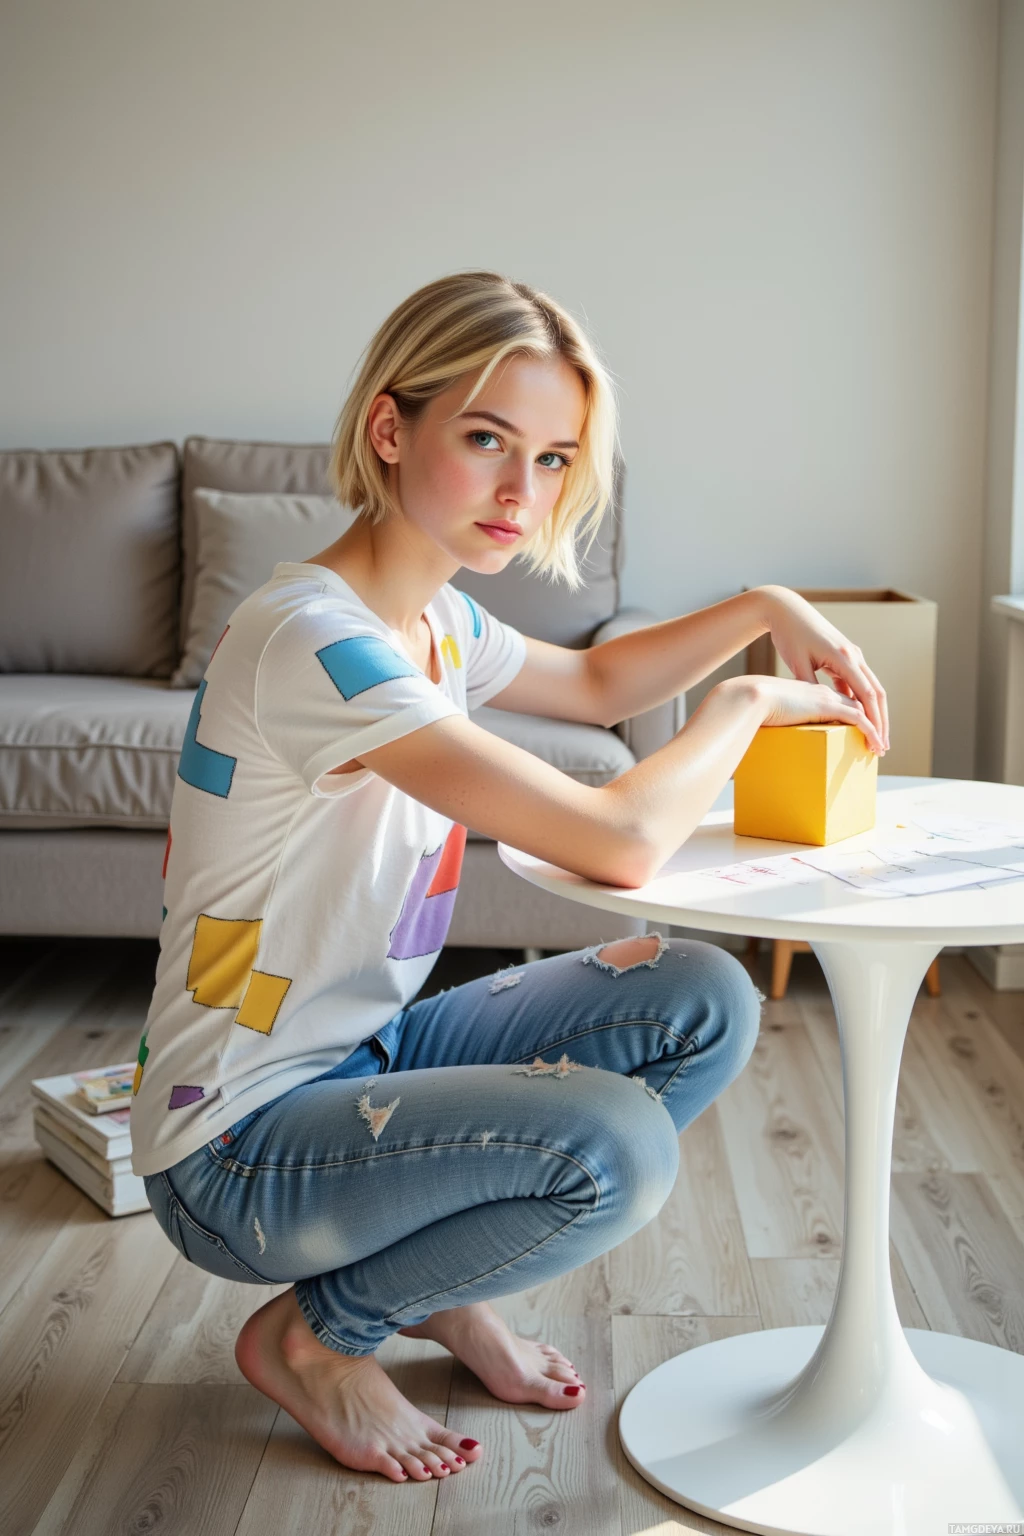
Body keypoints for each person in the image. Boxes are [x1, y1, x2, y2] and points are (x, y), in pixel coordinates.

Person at [131, 270, 889, 1485]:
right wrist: (746, 699)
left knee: (702, 995)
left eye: (550, 458)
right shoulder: (316, 642)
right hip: (237, 1147)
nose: (517, 492)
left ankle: (434, 1286)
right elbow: (622, 840)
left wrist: (765, 605)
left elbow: (593, 686)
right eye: (485, 439)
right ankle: (319, 1336)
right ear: (392, 430)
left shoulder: (432, 623)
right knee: (618, 1152)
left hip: (361, 1060)